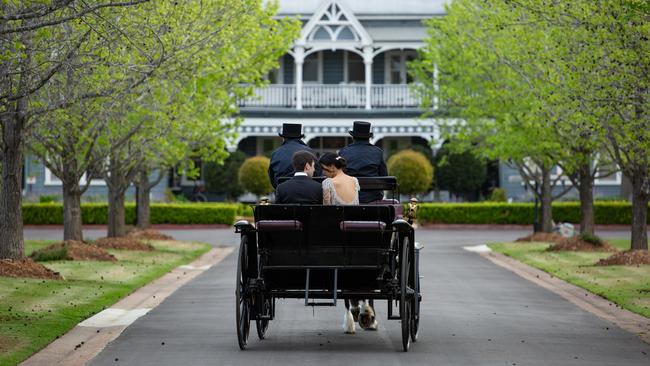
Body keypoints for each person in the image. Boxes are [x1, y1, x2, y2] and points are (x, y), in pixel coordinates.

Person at [339, 121, 388, 203]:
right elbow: (384, 177)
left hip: (348, 196)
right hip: (373, 197)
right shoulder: (377, 152)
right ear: (368, 137)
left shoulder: (344, 152)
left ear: (353, 137)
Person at [268, 123, 319, 189]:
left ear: (283, 138)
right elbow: (318, 175)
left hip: (283, 194)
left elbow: (272, 178)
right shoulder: (310, 152)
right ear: (300, 138)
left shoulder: (276, 153)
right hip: (308, 192)